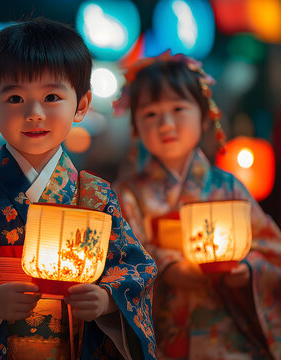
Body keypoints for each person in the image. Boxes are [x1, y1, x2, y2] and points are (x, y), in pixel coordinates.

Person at [0, 19, 157, 360]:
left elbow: (136, 270)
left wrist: (108, 300)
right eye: (14, 97)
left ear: (81, 105)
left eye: (52, 96)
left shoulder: (97, 197)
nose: (34, 113)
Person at [113, 51, 281, 359]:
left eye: (178, 109)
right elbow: (122, 261)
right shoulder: (127, 194)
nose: (166, 123)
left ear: (204, 117)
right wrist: (166, 267)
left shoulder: (227, 187)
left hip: (230, 339)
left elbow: (273, 250)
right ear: (135, 126)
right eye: (150, 114)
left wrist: (248, 269)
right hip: (165, 338)